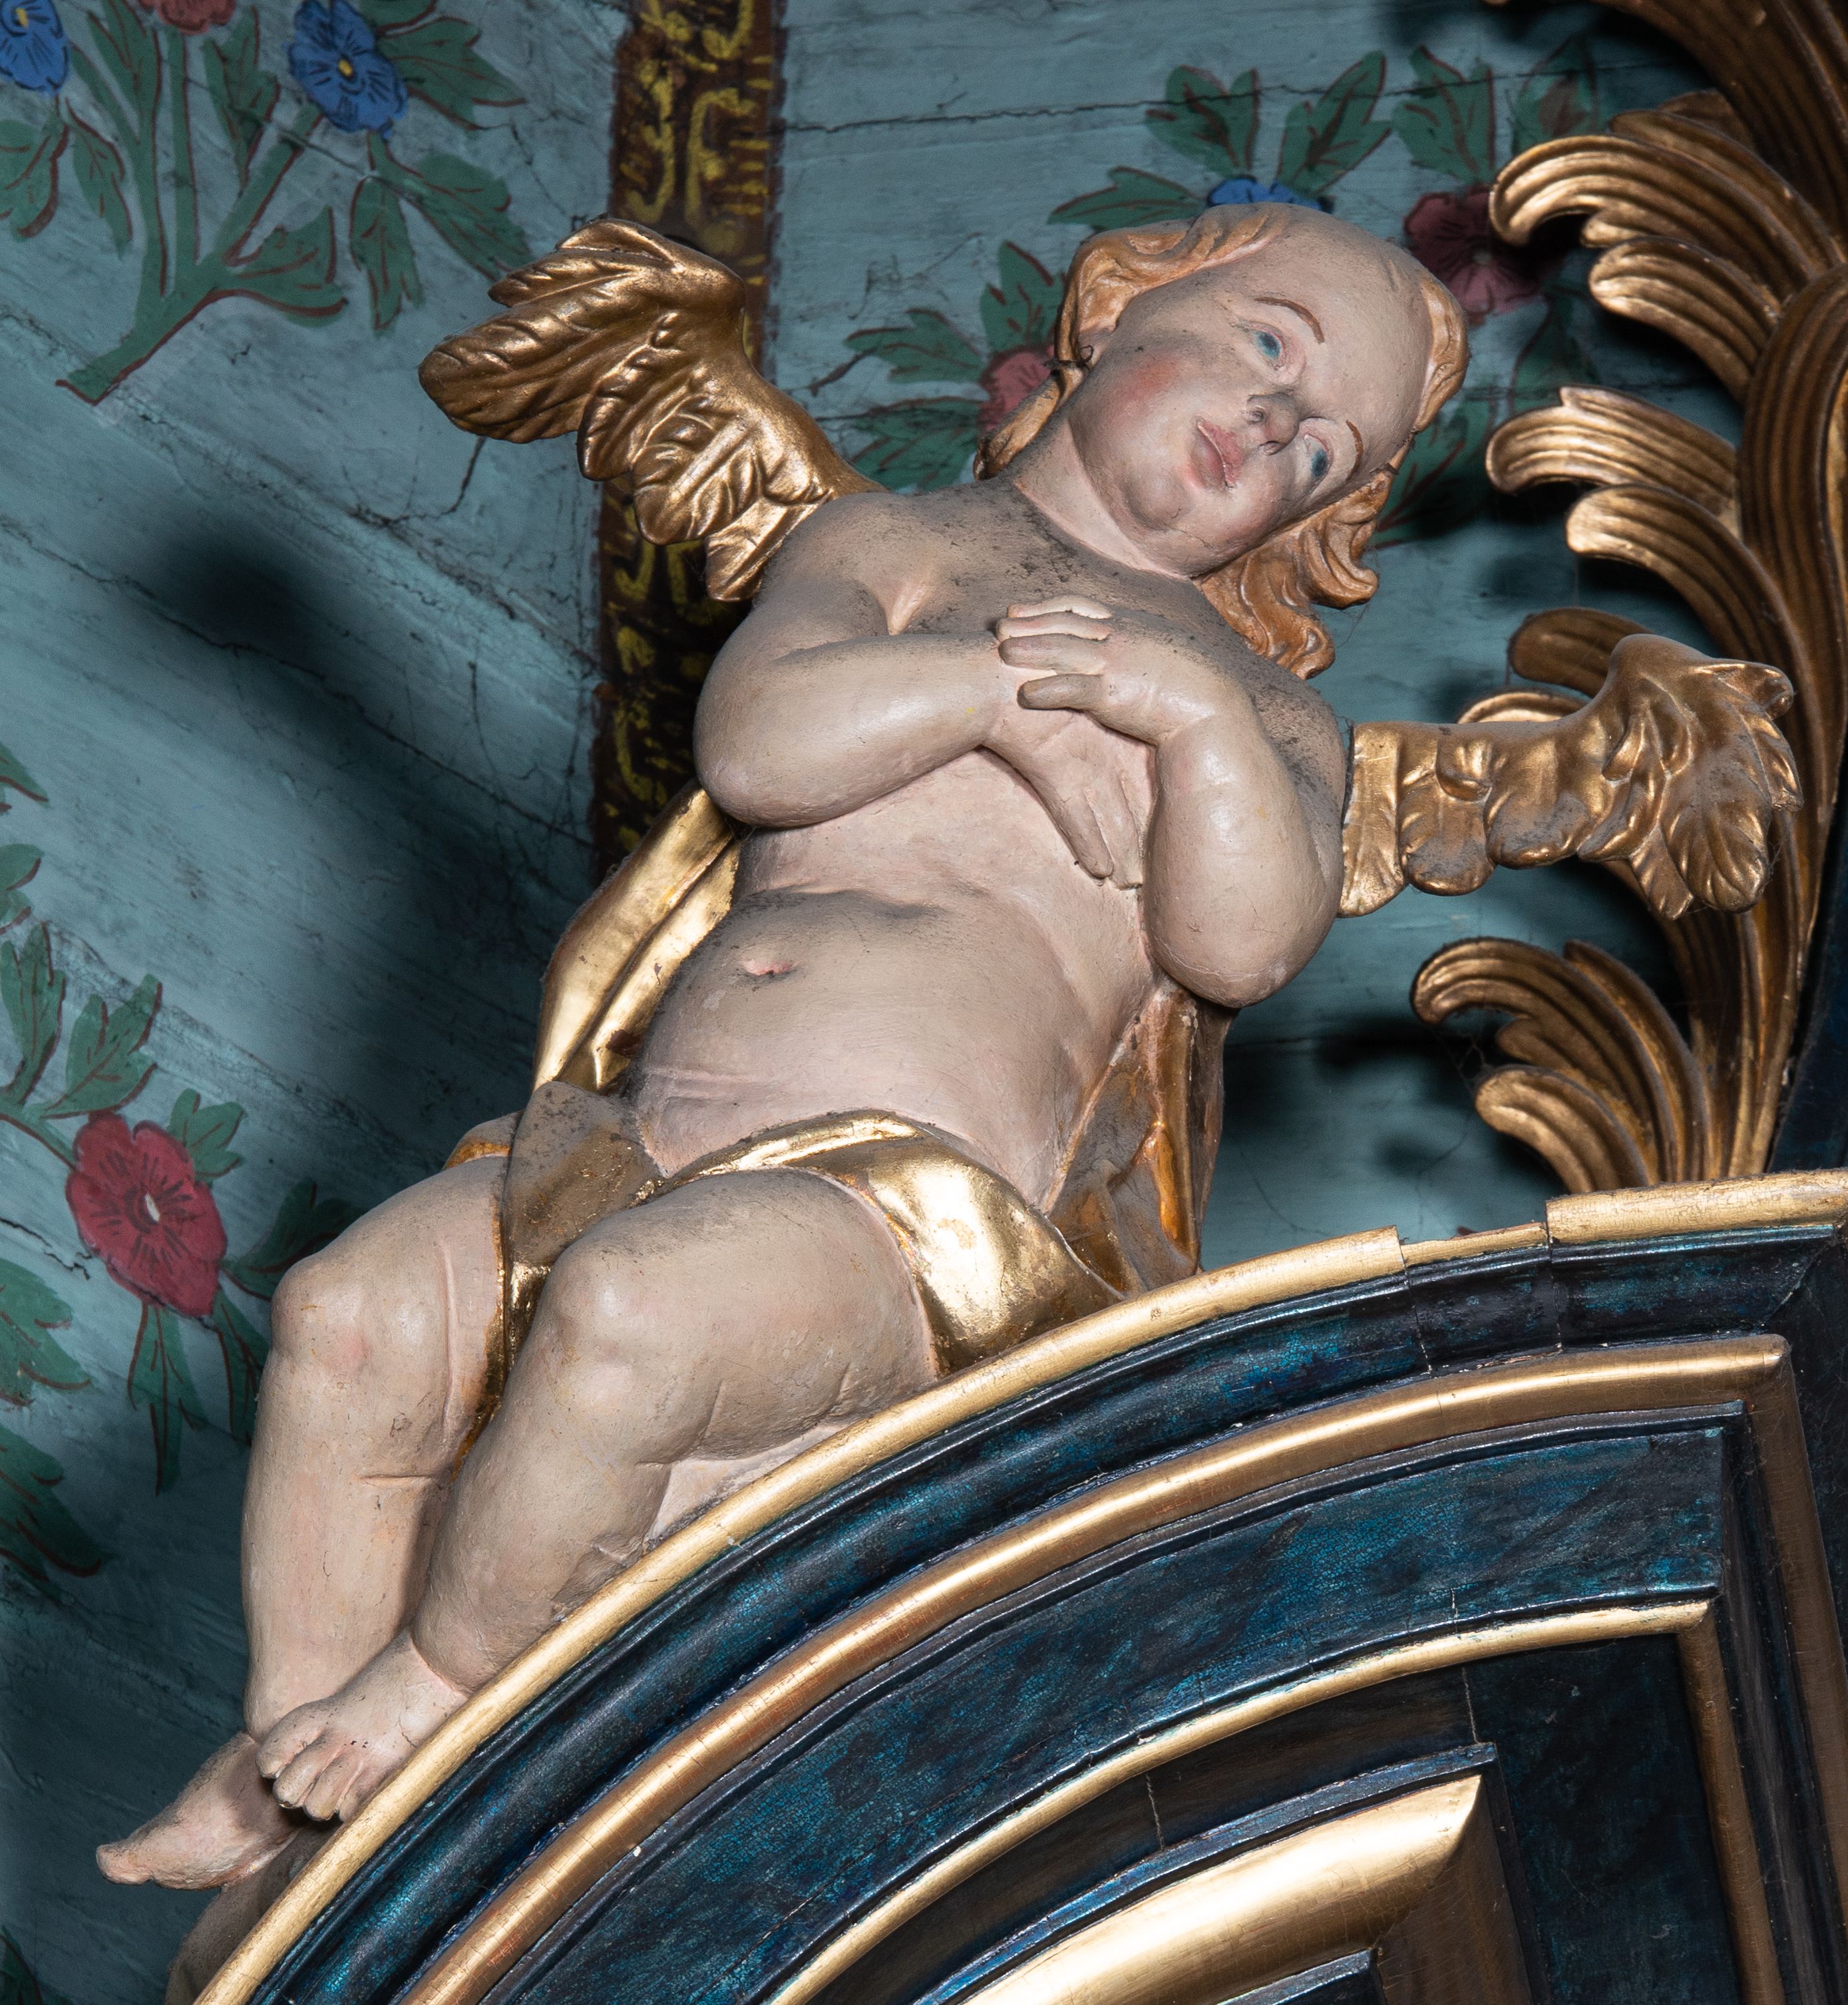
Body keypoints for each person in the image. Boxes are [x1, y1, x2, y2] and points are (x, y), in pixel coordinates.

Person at [98, 200, 1465, 1893]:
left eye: (1324, 449)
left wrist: (1184, 716)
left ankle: (437, 1687)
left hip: (907, 1217)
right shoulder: (900, 547)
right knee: (351, 1317)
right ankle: (291, 1796)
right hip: (646, 1140)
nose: (1275, 421)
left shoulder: (1261, 711)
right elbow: (761, 742)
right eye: (1268, 344)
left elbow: (1240, 940)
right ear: (1119, 306)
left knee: (628, 1319)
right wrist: (992, 693)